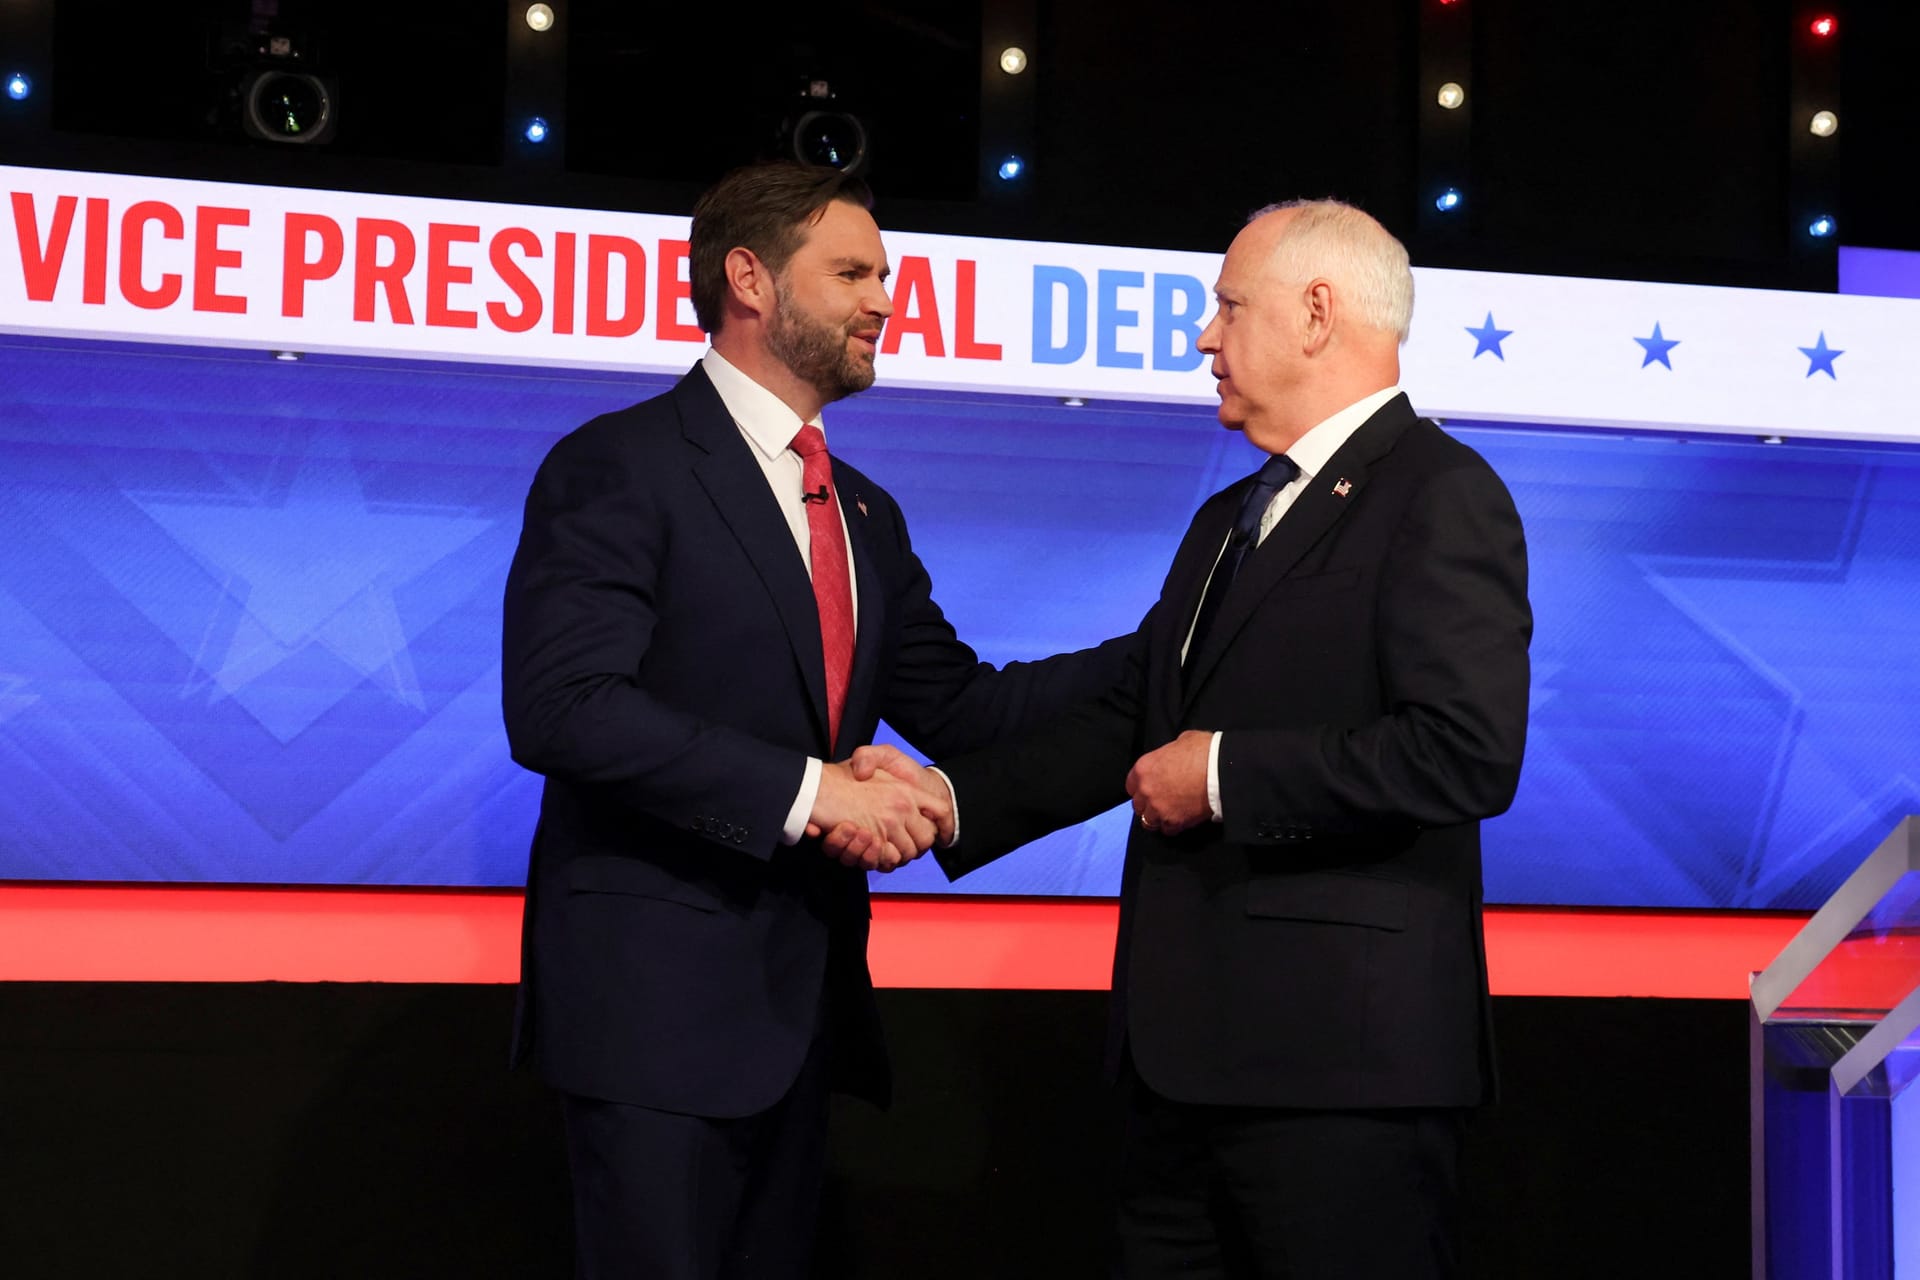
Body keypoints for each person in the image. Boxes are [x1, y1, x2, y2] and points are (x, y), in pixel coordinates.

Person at [843, 200, 1533, 1278]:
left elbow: (1464, 750)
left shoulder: (1442, 494)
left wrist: (1221, 774)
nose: (1206, 337)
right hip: (1182, 1072)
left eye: (1226, 307)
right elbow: (1135, 709)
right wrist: (948, 799)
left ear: (1317, 313)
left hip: (1341, 1081)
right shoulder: (1230, 518)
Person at [500, 161, 1131, 1280]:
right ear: (749, 278)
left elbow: (969, 706)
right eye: (851, 271)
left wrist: (1173, 647)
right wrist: (811, 790)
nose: (884, 298)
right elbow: (564, 708)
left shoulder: (864, 509)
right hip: (651, 1020)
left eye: (884, 273)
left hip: (800, 1016)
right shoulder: (619, 465)